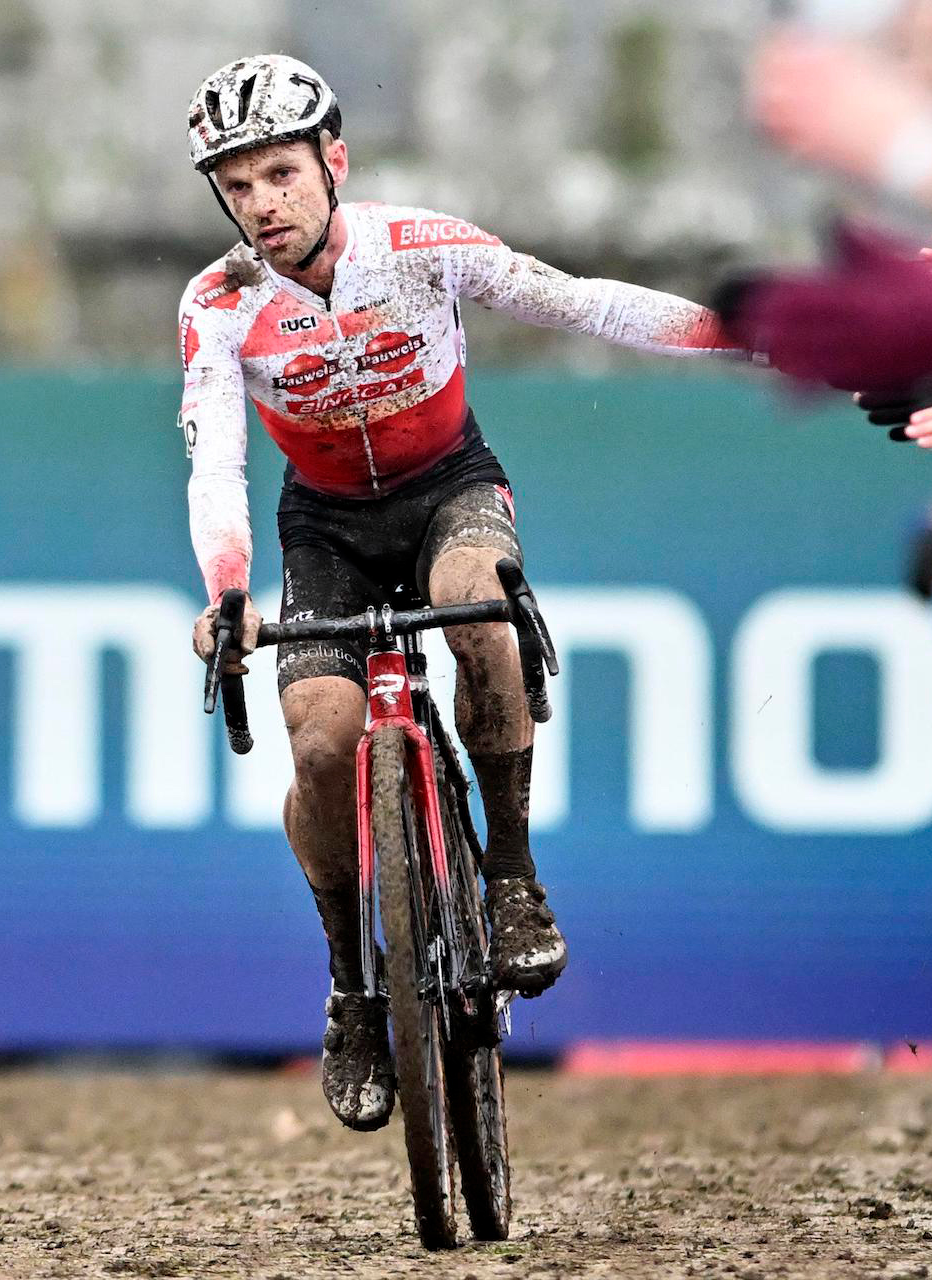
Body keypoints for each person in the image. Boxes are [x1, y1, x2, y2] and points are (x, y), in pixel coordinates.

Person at [175, 55, 736, 1131]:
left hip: (449, 490)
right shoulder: (220, 301)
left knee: (480, 604)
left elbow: (576, 302)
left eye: (282, 175)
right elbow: (214, 458)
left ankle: (513, 875)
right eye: (237, 188)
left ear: (334, 162)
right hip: (326, 524)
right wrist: (232, 590)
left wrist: (747, 334)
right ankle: (352, 982)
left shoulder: (415, 245)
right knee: (324, 736)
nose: (263, 205)